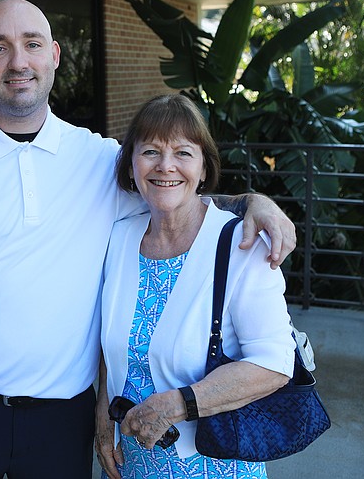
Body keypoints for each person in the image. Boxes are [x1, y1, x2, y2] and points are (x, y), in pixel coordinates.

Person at [0, 0, 296, 478]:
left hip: (64, 421)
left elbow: (171, 187)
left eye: (32, 44)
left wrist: (252, 201)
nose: (18, 62)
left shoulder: (100, 159)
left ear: (54, 56)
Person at [96, 94, 295, 479]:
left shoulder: (242, 246)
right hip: (130, 465)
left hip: (212, 465)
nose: (165, 166)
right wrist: (103, 419)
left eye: (183, 153)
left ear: (204, 168)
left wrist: (177, 405)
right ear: (131, 166)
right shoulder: (119, 238)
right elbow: (110, 348)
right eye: (150, 151)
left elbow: (275, 364)